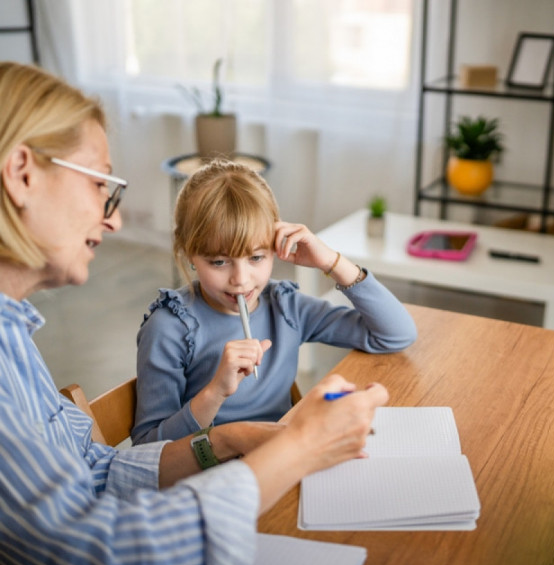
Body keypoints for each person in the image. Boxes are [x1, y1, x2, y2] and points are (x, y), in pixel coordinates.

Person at [0, 61, 387, 565]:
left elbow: (95, 471)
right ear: (21, 173)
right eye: (100, 185)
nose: (115, 220)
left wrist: (229, 439)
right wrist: (299, 449)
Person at [132, 159, 416, 444]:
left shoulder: (286, 307)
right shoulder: (169, 329)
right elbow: (148, 448)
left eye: (256, 257)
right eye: (219, 262)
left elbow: (395, 335)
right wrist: (215, 392)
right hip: (215, 467)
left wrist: (331, 262)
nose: (241, 280)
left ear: (275, 246)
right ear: (187, 252)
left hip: (286, 453)